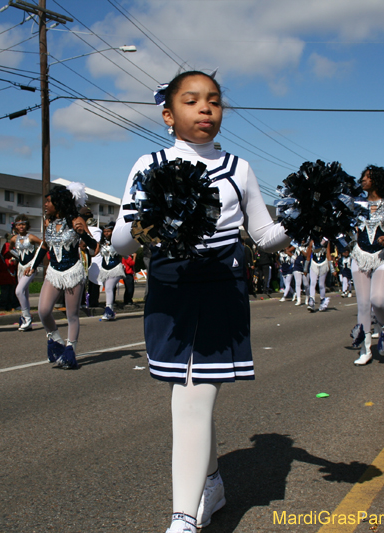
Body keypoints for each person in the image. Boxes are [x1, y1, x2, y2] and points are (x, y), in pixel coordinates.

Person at [111, 71, 289, 533]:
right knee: (188, 393)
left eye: (213, 100)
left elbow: (265, 236)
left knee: (192, 397)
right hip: (170, 292)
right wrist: (149, 216)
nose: (205, 108)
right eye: (191, 101)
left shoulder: (239, 168)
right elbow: (120, 244)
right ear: (169, 115)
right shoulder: (147, 164)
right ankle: (212, 483)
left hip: (219, 290)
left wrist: (304, 219)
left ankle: (183, 519)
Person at [25, 183, 96, 369]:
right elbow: (45, 246)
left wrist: (83, 234)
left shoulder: (76, 220)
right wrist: (33, 266)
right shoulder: (49, 223)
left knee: (72, 315)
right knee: (43, 310)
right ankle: (55, 340)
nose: (45, 204)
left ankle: (70, 350)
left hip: (72, 272)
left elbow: (94, 249)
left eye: (48, 201)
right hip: (54, 273)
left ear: (59, 202)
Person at [350, 165, 384, 366]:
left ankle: (383, 327)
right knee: (364, 304)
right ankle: (365, 349)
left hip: (383, 257)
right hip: (360, 256)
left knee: (379, 300)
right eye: (362, 176)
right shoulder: (355, 204)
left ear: (377, 180)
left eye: (367, 177)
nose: (363, 180)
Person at [10, 214, 41, 331]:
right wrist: (15, 257)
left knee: (18, 291)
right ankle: (26, 318)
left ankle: (27, 318)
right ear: (15, 226)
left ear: (27, 225)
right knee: (24, 294)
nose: (21, 226)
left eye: (23, 224)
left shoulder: (31, 237)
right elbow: (11, 249)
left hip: (30, 267)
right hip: (21, 268)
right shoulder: (14, 239)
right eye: (18, 224)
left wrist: (34, 262)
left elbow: (43, 246)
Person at [96, 222, 124, 320]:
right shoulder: (102, 242)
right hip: (104, 269)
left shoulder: (117, 242)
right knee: (107, 288)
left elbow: (125, 253)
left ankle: (108, 311)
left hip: (115, 268)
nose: (106, 233)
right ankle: (110, 311)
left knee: (108, 288)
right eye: (104, 232)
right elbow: (94, 253)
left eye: (108, 231)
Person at [80, 207, 103, 308]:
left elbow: (95, 244)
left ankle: (92, 302)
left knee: (93, 282)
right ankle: (82, 301)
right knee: (82, 281)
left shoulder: (95, 231)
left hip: (93, 258)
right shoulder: (78, 227)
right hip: (81, 257)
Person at [307, 238, 331, 312]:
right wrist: (305, 267)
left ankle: (323, 300)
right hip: (314, 264)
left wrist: (331, 267)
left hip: (323, 263)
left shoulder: (326, 241)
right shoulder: (312, 242)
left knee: (321, 284)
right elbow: (308, 254)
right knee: (313, 282)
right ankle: (311, 301)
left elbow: (328, 253)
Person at [0, 233, 18, 312]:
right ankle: (2, 306)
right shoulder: (0, 258)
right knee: (4, 294)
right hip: (4, 279)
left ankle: (9, 306)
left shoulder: (13, 258)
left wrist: (14, 264)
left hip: (11, 279)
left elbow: (14, 268)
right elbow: (1, 267)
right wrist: (9, 262)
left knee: (11, 294)